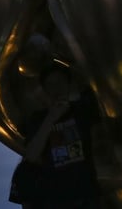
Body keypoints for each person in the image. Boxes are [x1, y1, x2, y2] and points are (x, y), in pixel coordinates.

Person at [10, 61, 102, 208]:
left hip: (85, 196)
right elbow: (32, 155)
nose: (56, 89)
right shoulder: (38, 119)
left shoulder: (81, 110)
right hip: (56, 199)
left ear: (68, 85)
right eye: (51, 84)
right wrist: (51, 117)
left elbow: (91, 82)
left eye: (60, 82)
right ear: (45, 90)